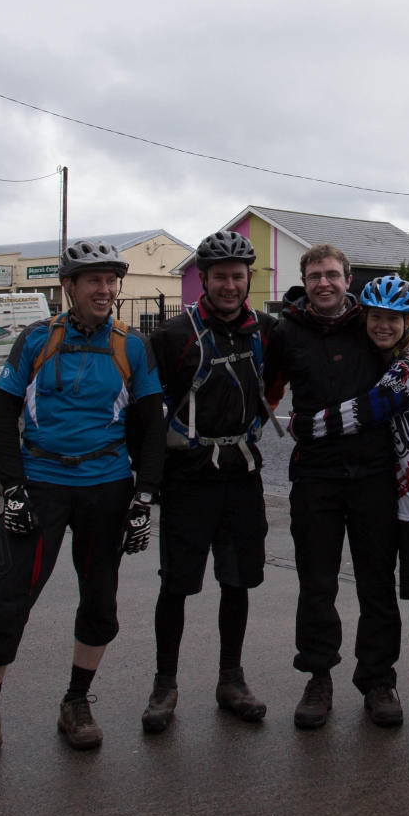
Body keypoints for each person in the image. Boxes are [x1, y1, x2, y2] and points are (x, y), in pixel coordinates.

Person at [0, 239, 165, 774]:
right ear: (69, 285)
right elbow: (4, 416)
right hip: (41, 482)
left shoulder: (131, 345)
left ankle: (76, 701)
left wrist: (144, 497)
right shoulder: (37, 339)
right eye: (95, 280)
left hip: (106, 485)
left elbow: (153, 425)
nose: (106, 290)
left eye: (112, 281)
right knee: (4, 598)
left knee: (99, 601)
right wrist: (12, 488)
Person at [264, 244, 409, 730]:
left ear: (347, 281)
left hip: (373, 474)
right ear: (304, 279)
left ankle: (379, 679)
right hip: (315, 476)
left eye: (334, 275)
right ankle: (318, 677)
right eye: (316, 275)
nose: (325, 282)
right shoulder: (285, 330)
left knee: (377, 583)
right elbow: (259, 378)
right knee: (316, 582)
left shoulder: (376, 317)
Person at [140, 230, 275, 732]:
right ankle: (164, 683)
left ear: (248, 279)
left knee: (237, 580)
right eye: (220, 276)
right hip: (188, 478)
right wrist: (146, 484)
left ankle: (231, 679)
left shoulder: (266, 330)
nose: (230, 285)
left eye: (238, 277)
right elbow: (148, 415)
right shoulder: (172, 336)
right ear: (204, 278)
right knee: (176, 584)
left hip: (242, 476)